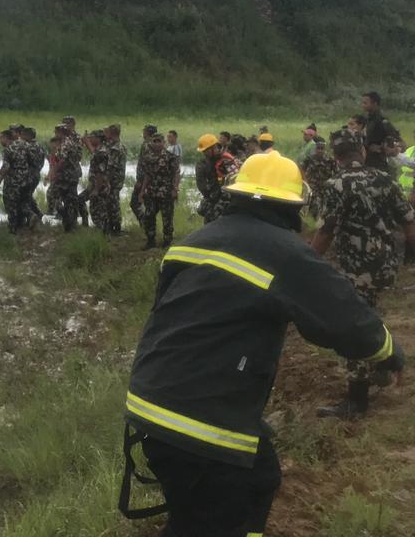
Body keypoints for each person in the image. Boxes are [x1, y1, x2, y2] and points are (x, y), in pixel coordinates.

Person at [120, 151, 405, 537]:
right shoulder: (285, 252)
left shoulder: (194, 241)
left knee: (258, 478)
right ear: (292, 206)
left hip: (149, 399)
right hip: (201, 421)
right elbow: (346, 318)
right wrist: (388, 352)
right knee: (215, 518)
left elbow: (163, 313)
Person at [311, 131, 415, 417]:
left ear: (336, 157)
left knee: (351, 325)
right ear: (362, 152)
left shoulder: (336, 184)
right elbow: (408, 222)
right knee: (368, 315)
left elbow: (326, 230)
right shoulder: (386, 179)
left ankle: (357, 400)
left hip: (357, 268)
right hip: (385, 264)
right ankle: (385, 361)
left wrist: (307, 260)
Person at [137, 133, 180, 249]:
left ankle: (167, 241)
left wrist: (175, 189)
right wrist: (142, 190)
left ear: (163, 142)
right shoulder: (148, 158)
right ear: (151, 143)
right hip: (151, 192)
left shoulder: (170, 157)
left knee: (167, 217)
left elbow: (176, 173)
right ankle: (150, 241)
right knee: (149, 216)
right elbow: (147, 175)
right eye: (154, 141)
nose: (156, 144)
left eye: (159, 141)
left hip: (166, 192)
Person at [53, 125, 84, 232]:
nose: (55, 134)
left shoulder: (66, 144)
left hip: (67, 177)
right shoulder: (70, 142)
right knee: (70, 201)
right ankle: (70, 225)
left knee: (64, 200)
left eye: (56, 132)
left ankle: (69, 225)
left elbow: (62, 160)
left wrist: (54, 171)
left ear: (60, 133)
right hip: (71, 176)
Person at [361, 91, 400, 170]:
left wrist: (382, 148)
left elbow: (398, 141)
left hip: (378, 163)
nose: (362, 105)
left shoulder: (382, 121)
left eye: (365, 103)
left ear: (374, 104)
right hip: (366, 160)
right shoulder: (366, 120)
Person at [130, 125, 158, 229]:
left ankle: (145, 223)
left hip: (144, 180)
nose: (143, 133)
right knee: (148, 204)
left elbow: (144, 164)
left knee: (135, 203)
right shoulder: (155, 143)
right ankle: (147, 224)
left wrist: (140, 180)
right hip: (151, 180)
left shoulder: (146, 144)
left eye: (144, 131)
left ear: (147, 132)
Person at [106, 125, 128, 236]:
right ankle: (115, 227)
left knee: (113, 203)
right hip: (118, 179)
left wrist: (107, 182)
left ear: (112, 133)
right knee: (114, 202)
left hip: (114, 180)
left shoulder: (115, 148)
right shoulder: (122, 146)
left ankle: (115, 228)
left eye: (108, 132)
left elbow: (111, 167)